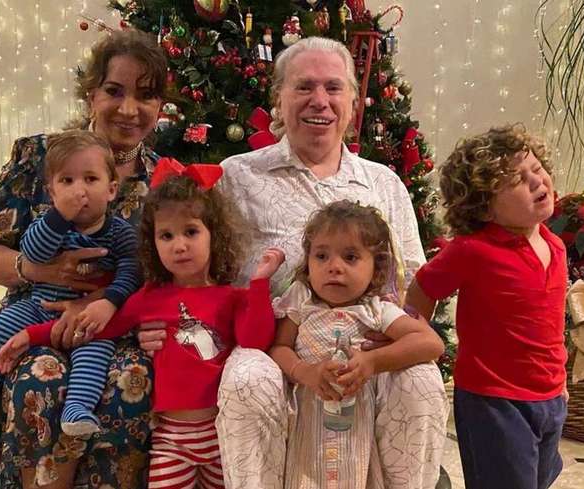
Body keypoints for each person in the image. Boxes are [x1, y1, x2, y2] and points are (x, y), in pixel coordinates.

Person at [139, 36, 447, 489]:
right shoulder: (238, 176)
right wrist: (162, 316)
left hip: (368, 346)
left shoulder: (383, 184)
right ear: (279, 98)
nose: (319, 100)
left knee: (420, 380)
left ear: (352, 102)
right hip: (268, 344)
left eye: (333, 87)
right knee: (246, 379)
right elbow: (186, 255)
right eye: (304, 87)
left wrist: (385, 346)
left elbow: (414, 282)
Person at [0, 161, 286, 488]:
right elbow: (97, 328)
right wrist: (30, 335)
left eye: (191, 232)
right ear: (152, 243)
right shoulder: (148, 298)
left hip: (221, 438)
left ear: (213, 235)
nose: (179, 245)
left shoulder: (231, 297)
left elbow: (255, 341)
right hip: (171, 442)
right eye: (166, 235)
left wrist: (260, 283)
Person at [0, 28, 166, 489]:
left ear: (160, 106)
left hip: (117, 328)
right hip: (34, 315)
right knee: (37, 381)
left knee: (132, 383)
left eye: (145, 95)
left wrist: (102, 304)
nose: (129, 109)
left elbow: (168, 272)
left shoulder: (163, 178)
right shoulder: (39, 156)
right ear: (91, 93)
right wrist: (38, 269)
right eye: (115, 91)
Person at [0, 130, 141, 445]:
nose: (79, 190)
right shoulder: (48, 224)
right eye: (67, 181)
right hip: (38, 307)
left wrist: (108, 302)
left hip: (90, 317)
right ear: (51, 192)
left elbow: (131, 272)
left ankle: (77, 409)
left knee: (94, 356)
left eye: (90, 179)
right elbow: (34, 253)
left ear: (111, 189)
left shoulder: (120, 233)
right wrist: (58, 217)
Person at [406, 124, 568, 489]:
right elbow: (423, 288)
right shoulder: (472, 250)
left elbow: (552, 324)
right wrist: (413, 339)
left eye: (536, 168)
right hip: (494, 400)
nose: (537, 180)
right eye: (517, 180)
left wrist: (561, 382)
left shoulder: (555, 246)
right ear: (484, 206)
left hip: (550, 396)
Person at [270, 201, 445, 488]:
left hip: (358, 431)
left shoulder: (376, 310)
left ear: (376, 267)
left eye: (350, 257)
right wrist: (305, 372)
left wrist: (373, 362)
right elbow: (279, 348)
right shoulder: (301, 300)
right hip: (308, 425)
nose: (334, 267)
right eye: (321, 256)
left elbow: (431, 343)